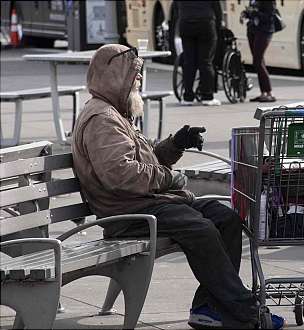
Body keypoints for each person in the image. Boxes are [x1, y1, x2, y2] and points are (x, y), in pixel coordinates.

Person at [71, 44, 285, 329]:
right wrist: (169, 178)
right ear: (116, 77)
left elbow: (142, 162)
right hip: (127, 212)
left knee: (226, 218)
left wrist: (176, 145)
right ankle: (245, 311)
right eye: (135, 76)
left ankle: (209, 307)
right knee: (201, 229)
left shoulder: (115, 113)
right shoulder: (102, 119)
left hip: (147, 201)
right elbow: (121, 175)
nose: (139, 82)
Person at [177, 0, 222, 106]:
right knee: (206, 61)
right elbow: (217, 8)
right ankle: (207, 96)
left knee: (189, 62)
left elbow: (176, 7)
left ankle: (188, 97)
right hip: (205, 24)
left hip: (186, 23)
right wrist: (218, 26)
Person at [242, 0, 277, 103]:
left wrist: (254, 13)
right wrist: (245, 14)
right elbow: (251, 11)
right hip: (253, 30)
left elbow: (269, 16)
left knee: (257, 61)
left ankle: (269, 92)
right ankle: (263, 93)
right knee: (259, 61)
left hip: (264, 31)